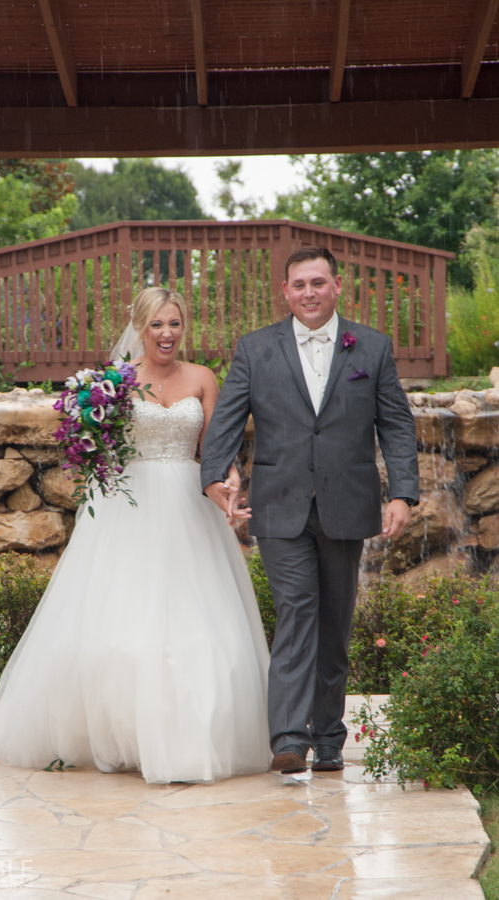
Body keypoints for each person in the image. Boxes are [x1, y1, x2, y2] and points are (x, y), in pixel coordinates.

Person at [0, 287, 271, 784]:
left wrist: (229, 482)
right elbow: (95, 451)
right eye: (157, 324)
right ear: (139, 326)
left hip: (189, 506)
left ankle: (195, 735)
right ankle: (119, 736)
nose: (167, 334)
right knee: (120, 625)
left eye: (175, 324)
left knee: (201, 625)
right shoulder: (111, 384)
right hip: (128, 510)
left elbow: (217, 448)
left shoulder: (203, 379)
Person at [201, 246, 419, 775]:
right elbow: (226, 420)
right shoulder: (255, 349)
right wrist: (214, 476)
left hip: (348, 503)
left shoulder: (372, 347)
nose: (309, 293)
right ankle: (289, 740)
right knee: (298, 611)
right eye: (299, 285)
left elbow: (396, 425)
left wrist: (402, 494)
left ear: (337, 286)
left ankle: (329, 739)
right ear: (285, 291)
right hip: (279, 506)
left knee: (335, 622)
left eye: (318, 283)